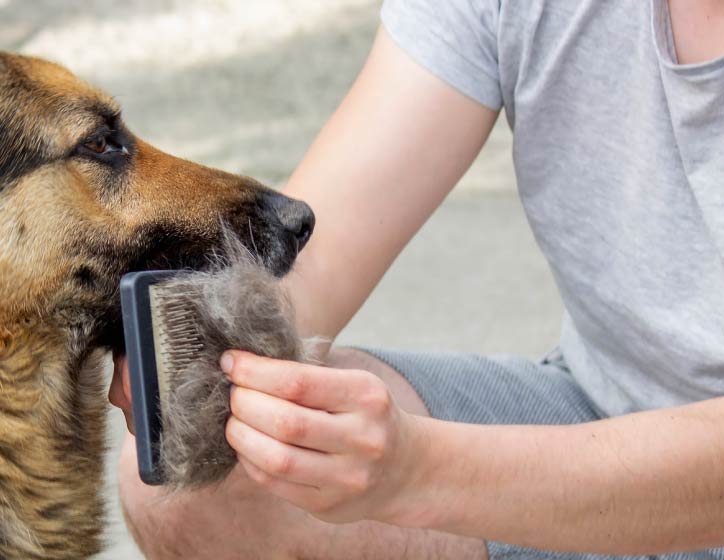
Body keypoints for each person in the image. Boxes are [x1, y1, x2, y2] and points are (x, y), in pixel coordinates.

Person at [109, 0, 724, 558]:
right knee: (192, 474)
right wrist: (205, 349)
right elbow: (311, 264)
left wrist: (420, 472)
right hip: (599, 402)